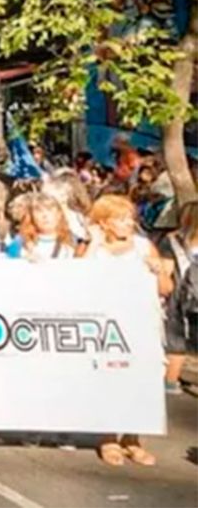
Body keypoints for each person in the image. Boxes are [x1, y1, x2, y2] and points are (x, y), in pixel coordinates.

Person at [86, 194, 169, 467]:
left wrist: (159, 271)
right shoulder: (94, 249)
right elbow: (76, 280)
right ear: (104, 223)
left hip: (142, 322)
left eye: (130, 219)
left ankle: (133, 438)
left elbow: (165, 289)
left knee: (144, 377)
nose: (128, 224)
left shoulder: (144, 247)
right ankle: (108, 437)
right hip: (107, 323)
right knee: (110, 376)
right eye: (120, 219)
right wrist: (93, 243)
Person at [162, 202, 198, 396]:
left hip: (180, 296)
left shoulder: (172, 241)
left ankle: (170, 382)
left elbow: (166, 271)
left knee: (176, 341)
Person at [8, 192, 78, 262]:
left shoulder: (73, 240)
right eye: (39, 211)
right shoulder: (19, 243)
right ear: (32, 216)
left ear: (59, 214)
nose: (45, 215)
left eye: (49, 210)